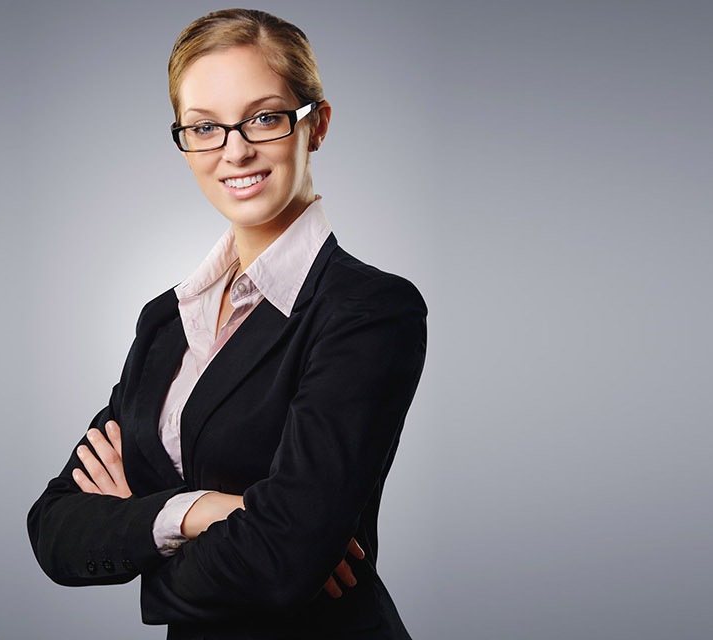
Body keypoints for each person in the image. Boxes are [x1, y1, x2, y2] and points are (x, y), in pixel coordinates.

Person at [26, 9, 426, 639]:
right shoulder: (166, 321)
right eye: (205, 127)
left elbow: (283, 562)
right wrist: (200, 512)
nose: (235, 149)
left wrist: (141, 525)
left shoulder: (368, 310)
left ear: (315, 125)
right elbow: (53, 526)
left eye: (264, 118)